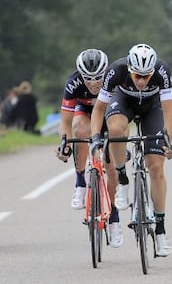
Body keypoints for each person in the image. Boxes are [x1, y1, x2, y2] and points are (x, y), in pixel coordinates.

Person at [90, 43, 172, 256]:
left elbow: (169, 112)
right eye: (137, 75)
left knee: (156, 168)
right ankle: (123, 179)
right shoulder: (116, 70)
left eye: (146, 76)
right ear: (129, 69)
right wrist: (94, 138)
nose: (141, 80)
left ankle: (161, 231)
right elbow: (99, 109)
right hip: (124, 103)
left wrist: (168, 142)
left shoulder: (162, 71)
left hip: (151, 109)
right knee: (117, 129)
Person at [55, 49, 123, 248]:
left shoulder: (115, 79)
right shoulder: (73, 83)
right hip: (85, 113)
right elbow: (65, 122)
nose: (93, 83)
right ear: (80, 75)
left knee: (111, 169)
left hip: (108, 114)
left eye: (98, 78)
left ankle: (114, 218)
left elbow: (122, 116)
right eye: (88, 78)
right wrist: (64, 143)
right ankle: (80, 182)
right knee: (79, 129)